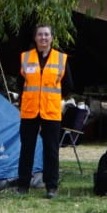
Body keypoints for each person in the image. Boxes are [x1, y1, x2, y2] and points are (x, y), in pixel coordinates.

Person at [16, 24, 69, 198]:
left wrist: (54, 98)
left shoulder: (61, 59)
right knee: (27, 149)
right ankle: (23, 185)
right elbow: (19, 83)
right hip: (30, 110)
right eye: (40, 34)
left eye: (46, 34)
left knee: (51, 150)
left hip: (51, 111)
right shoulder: (25, 57)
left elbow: (69, 85)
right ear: (35, 37)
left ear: (52, 38)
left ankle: (51, 187)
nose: (43, 38)